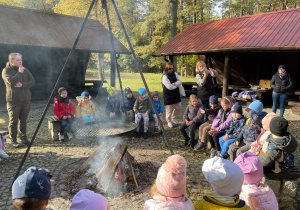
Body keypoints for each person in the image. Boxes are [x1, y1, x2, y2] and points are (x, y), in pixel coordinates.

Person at [2, 53, 35, 148]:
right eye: (18, 60)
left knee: (23, 120)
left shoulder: (25, 70)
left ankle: (23, 137)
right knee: (13, 120)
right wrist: (19, 73)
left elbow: (32, 81)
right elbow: (11, 81)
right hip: (13, 101)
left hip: (25, 100)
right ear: (11, 61)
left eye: (21, 59)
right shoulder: (6, 71)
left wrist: (23, 85)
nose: (20, 61)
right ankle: (13, 139)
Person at [162, 62, 182, 128]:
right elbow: (169, 87)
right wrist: (176, 85)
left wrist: (175, 84)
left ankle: (173, 118)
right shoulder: (164, 76)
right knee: (169, 110)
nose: (171, 70)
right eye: (169, 68)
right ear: (166, 68)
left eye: (172, 68)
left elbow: (180, 81)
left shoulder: (175, 74)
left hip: (175, 93)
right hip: (168, 94)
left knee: (178, 107)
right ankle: (169, 121)